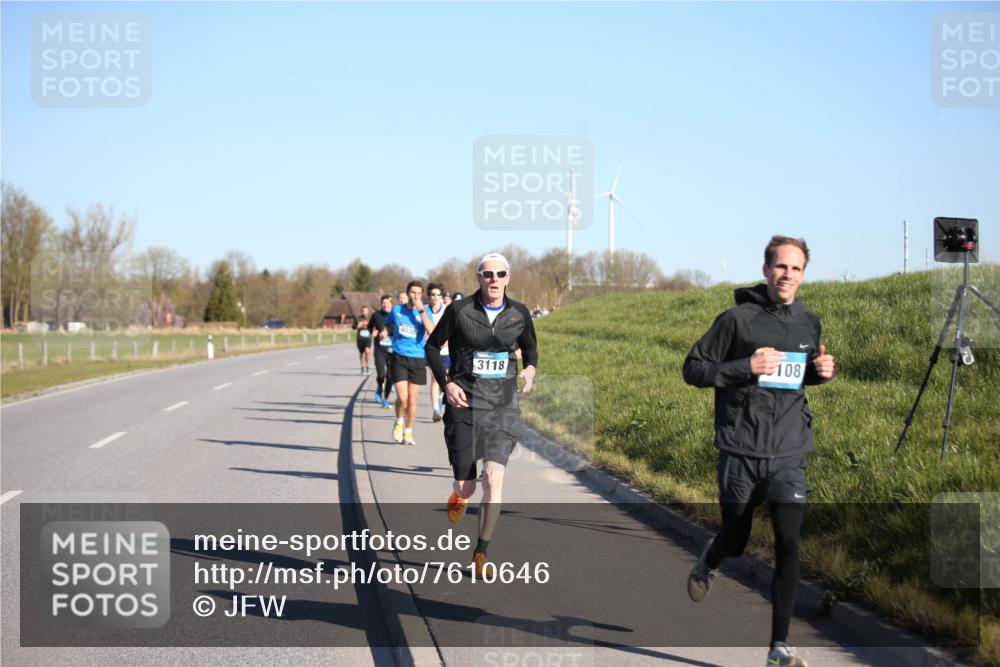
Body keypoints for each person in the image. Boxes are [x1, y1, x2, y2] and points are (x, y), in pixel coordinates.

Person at [682, 235, 835, 667]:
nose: (788, 275)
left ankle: (778, 649)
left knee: (789, 542)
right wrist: (743, 367)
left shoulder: (809, 322)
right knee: (736, 538)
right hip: (740, 447)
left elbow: (797, 378)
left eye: (797, 269)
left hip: (789, 449)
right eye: (781, 267)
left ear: (804, 276)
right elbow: (692, 369)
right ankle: (711, 560)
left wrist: (820, 374)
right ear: (767, 270)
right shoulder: (735, 320)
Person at [426, 253, 538, 577]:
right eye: (487, 274)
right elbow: (432, 347)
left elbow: (530, 348)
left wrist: (529, 370)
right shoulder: (459, 311)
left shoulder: (519, 314)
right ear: (478, 278)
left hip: (501, 406)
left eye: (499, 274)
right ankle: (459, 492)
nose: (494, 279)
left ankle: (481, 553)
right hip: (464, 403)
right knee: (468, 486)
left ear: (508, 278)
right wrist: (446, 384)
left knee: (493, 478)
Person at [382, 281, 435, 445]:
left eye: (419, 293)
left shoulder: (425, 311)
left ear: (422, 295)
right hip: (399, 357)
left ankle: (408, 431)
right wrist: (384, 332)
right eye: (413, 292)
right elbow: (387, 324)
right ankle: (399, 421)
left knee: (412, 400)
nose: (415, 296)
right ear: (407, 293)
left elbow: (432, 330)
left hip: (418, 358)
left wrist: (420, 310)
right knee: (403, 398)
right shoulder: (398, 310)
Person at [425, 282, 450, 422]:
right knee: (435, 378)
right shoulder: (423, 311)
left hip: (446, 351)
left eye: (438, 295)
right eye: (432, 295)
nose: (435, 297)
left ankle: (441, 398)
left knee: (443, 380)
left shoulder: (448, 310)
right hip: (430, 351)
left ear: (442, 297)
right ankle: (435, 409)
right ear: (428, 296)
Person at [368, 295, 395, 406]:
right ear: (381, 304)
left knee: (390, 376)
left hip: (392, 350)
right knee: (381, 374)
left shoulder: (395, 315)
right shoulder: (376, 315)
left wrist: (388, 332)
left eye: (388, 303)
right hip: (380, 349)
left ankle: (386, 399)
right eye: (384, 303)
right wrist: (372, 332)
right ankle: (379, 387)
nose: (386, 305)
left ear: (391, 304)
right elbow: (370, 327)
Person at [353, 305, 373, 375]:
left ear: (368, 311)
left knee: (367, 352)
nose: (365, 312)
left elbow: (374, 326)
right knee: (362, 354)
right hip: (360, 339)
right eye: (363, 311)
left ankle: (368, 367)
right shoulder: (358, 319)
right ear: (361, 312)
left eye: (366, 311)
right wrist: (357, 326)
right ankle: (362, 368)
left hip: (368, 338)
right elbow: (353, 327)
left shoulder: (371, 319)